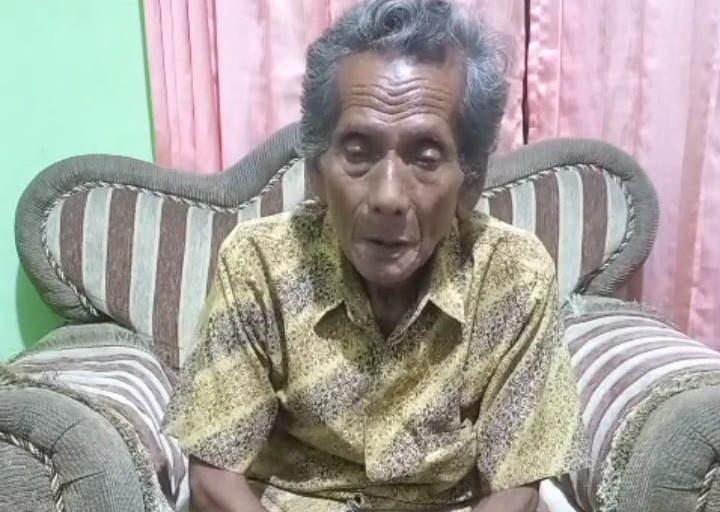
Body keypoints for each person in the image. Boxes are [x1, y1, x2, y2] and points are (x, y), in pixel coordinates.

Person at [164, 0, 587, 510]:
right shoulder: (259, 263)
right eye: (358, 152)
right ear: (317, 172)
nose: (388, 196)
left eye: (425, 157)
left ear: (470, 181)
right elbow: (214, 472)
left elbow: (517, 484)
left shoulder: (514, 276)